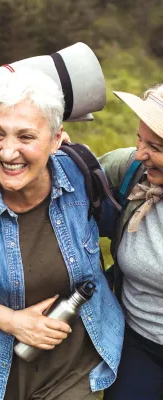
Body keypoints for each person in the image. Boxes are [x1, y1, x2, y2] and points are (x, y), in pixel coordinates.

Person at [0, 70, 124, 400]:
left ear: (57, 139)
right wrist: (13, 322)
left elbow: (121, 231)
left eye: (26, 137)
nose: (7, 152)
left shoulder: (82, 177)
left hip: (75, 371)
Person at [99, 84, 163, 400]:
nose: (140, 153)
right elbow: (62, 179)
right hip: (137, 344)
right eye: (140, 138)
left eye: (156, 147)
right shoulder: (131, 171)